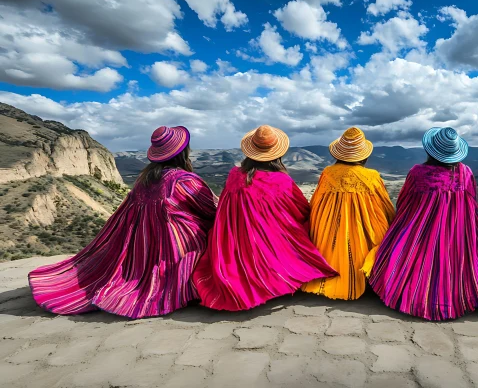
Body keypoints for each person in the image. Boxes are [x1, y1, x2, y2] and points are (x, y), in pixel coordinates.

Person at [28, 126, 216, 319]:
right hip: (167, 247)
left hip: (144, 245)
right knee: (214, 237)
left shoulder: (145, 179)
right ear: (183, 152)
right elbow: (210, 210)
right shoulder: (185, 180)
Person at [193, 125, 336, 311]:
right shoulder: (281, 181)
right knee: (302, 227)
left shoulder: (235, 175)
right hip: (263, 241)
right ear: (277, 154)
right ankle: (276, 273)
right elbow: (300, 210)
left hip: (234, 240)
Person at [367, 127, 478, 320]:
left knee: (415, 258)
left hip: (421, 227)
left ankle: (413, 295)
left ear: (429, 151)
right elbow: (471, 202)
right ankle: (453, 298)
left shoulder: (418, 172)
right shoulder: (465, 172)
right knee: (451, 264)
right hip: (455, 230)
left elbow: (405, 200)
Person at [301, 127, 395, 300]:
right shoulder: (372, 176)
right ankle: (365, 277)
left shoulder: (328, 173)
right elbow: (384, 204)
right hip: (362, 227)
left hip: (330, 229)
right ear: (364, 155)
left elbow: (316, 201)